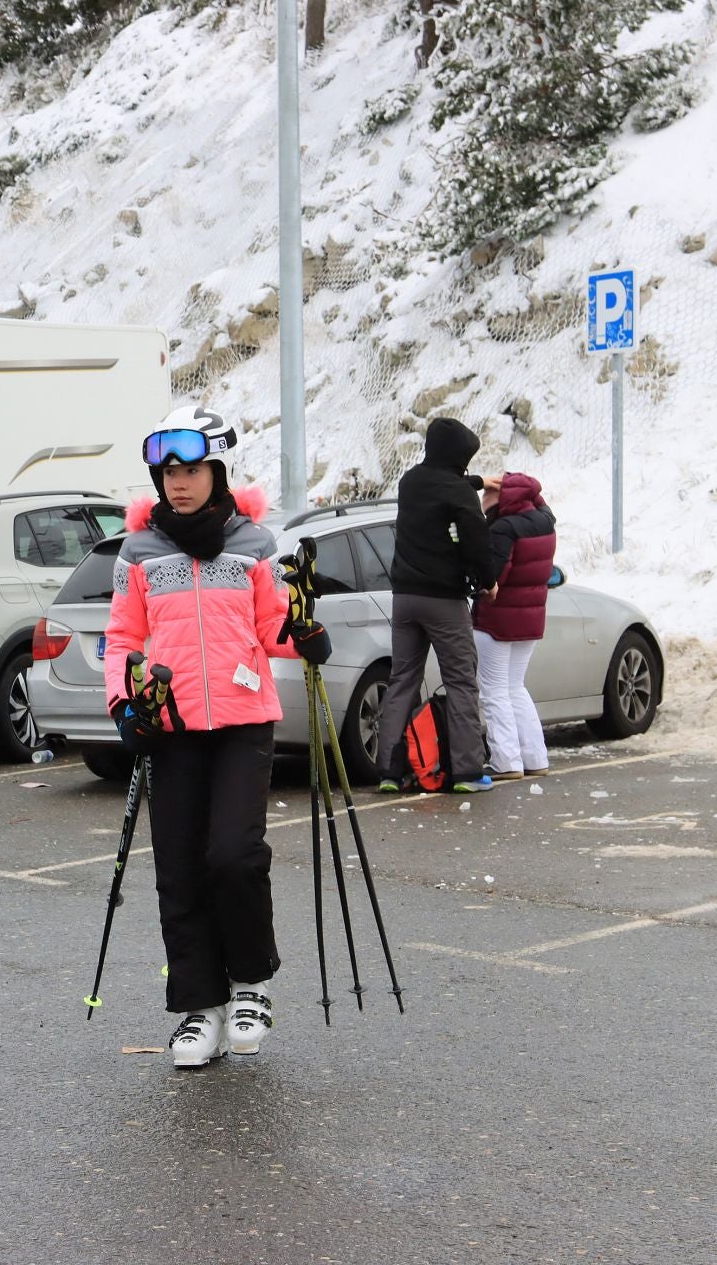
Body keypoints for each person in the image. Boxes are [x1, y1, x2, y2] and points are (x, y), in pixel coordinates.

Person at [103, 406, 331, 1069]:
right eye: (167, 471)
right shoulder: (138, 552)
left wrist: (305, 636)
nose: (178, 482)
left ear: (218, 470)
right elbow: (121, 639)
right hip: (169, 724)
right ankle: (197, 1007)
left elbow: (271, 628)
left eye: (192, 469)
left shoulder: (253, 543)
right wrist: (124, 705)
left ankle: (249, 983)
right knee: (178, 868)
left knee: (233, 856)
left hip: (241, 722)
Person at [372, 417, 499, 794]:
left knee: (402, 680)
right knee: (461, 681)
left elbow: (444, 486)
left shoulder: (410, 481)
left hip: (404, 599)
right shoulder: (458, 493)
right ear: (458, 456)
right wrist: (487, 580)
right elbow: (475, 539)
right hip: (443, 600)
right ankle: (467, 771)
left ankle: (390, 772)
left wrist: (478, 483)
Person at [472, 472, 555, 781]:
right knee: (514, 687)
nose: (483, 501)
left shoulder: (504, 528)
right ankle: (535, 757)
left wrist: (477, 581)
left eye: (488, 495)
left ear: (502, 497)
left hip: (497, 621)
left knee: (494, 691)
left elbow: (493, 577)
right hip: (529, 620)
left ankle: (506, 761)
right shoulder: (544, 522)